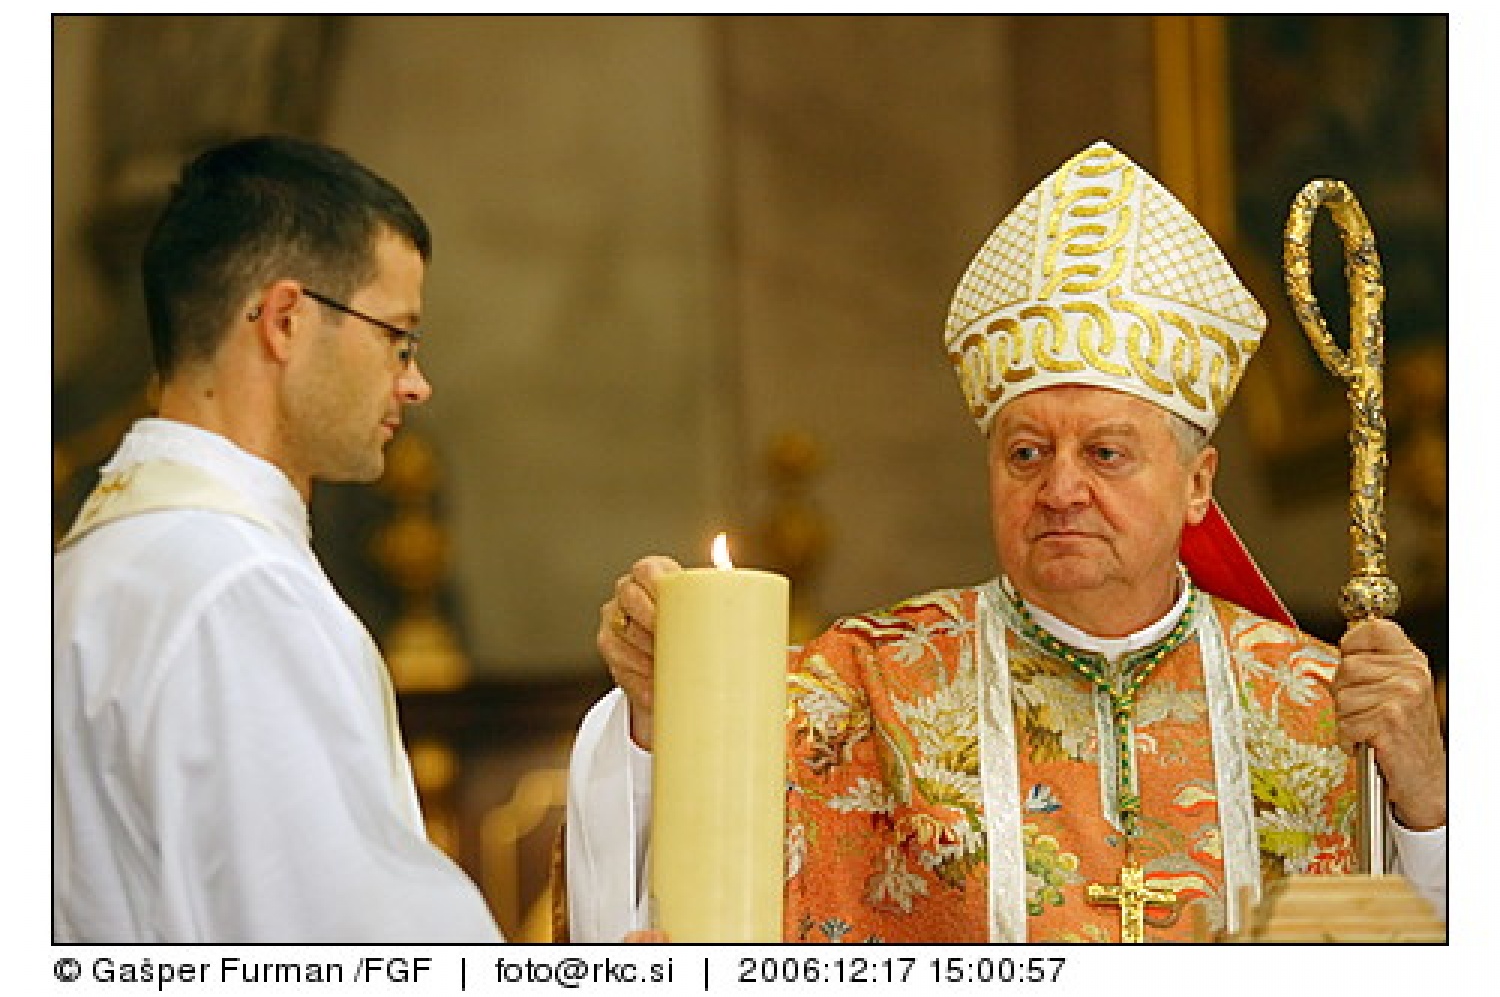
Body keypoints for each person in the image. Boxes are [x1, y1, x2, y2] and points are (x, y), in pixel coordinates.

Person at [564, 141, 1447, 943]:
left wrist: (1428, 808)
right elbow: (682, 904)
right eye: (1027, 452)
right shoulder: (862, 691)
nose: (1060, 488)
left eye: (1105, 452)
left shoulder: (1323, 707)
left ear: (1199, 485)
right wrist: (655, 709)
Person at [52, 135, 505, 942]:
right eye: (397, 335)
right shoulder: (240, 589)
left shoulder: (90, 567)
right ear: (286, 319)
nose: (414, 380)